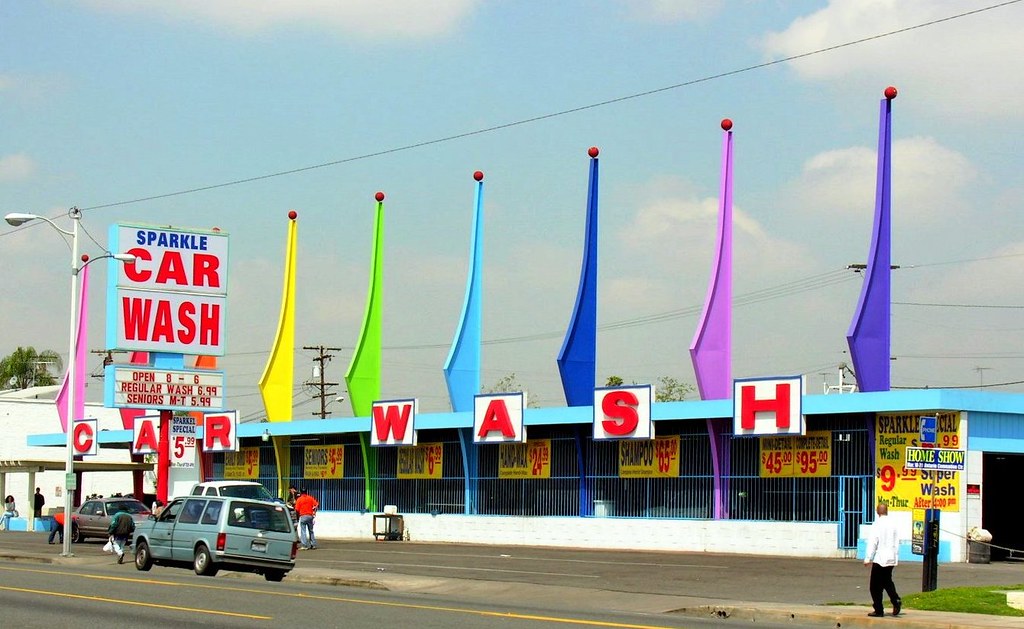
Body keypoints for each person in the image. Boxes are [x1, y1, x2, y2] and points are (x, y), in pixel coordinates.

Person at [864, 502, 902, 617]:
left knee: (874, 586)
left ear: (877, 512)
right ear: (887, 511)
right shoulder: (893, 524)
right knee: (887, 581)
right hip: (891, 558)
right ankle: (895, 600)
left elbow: (873, 541)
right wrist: (895, 555)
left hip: (880, 558)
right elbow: (897, 541)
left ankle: (879, 609)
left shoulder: (877, 524)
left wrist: (868, 558)